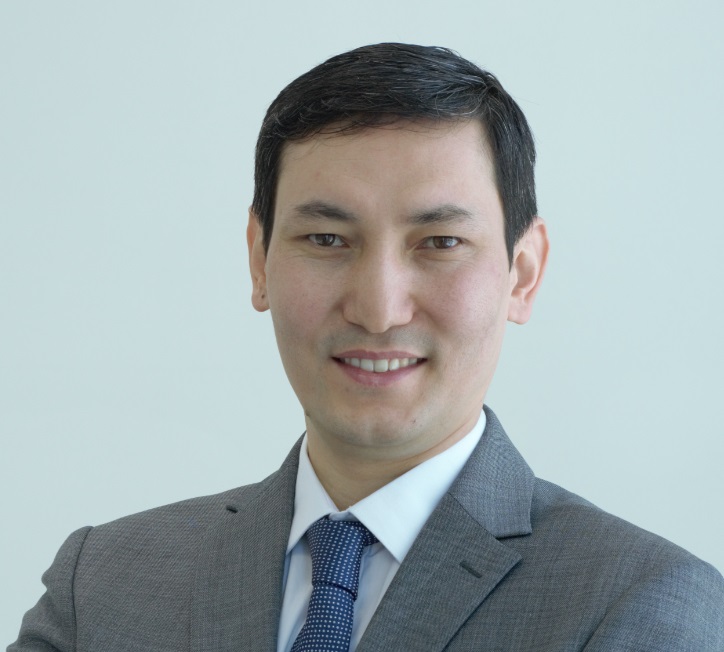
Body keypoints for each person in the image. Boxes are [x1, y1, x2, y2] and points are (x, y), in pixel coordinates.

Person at [9, 42, 724, 652]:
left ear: (523, 273)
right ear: (259, 260)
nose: (379, 311)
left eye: (440, 242)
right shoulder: (102, 585)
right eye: (326, 239)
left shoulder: (641, 606)